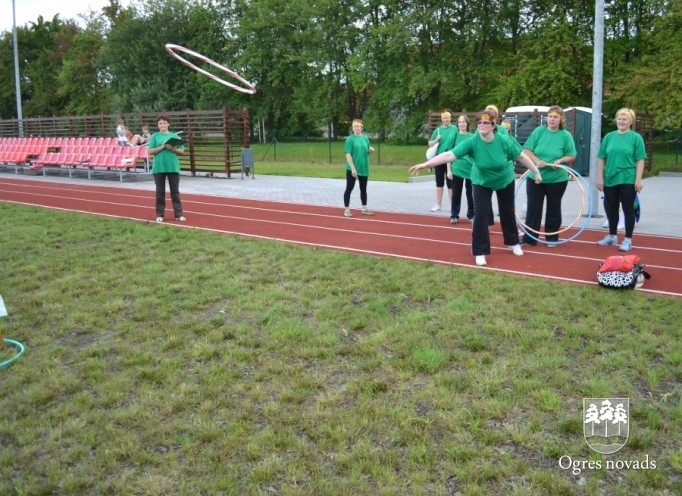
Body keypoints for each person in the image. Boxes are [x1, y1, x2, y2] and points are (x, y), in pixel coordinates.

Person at [409, 110, 542, 267]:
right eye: (479, 123)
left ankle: (513, 242)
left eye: (485, 122)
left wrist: (536, 171)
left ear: (493, 125)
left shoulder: (504, 140)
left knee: (507, 211)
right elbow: (449, 155)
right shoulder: (472, 141)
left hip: (504, 179)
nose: (481, 125)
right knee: (481, 214)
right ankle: (480, 251)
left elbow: (521, 156)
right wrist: (426, 164)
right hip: (481, 181)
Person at [520, 106, 577, 247]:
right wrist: (537, 161)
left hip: (557, 178)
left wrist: (560, 161)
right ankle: (529, 238)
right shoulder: (538, 131)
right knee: (534, 207)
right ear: (546, 118)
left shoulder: (565, 135)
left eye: (556, 117)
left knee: (554, 207)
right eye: (550, 116)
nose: (552, 119)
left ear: (561, 119)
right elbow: (526, 150)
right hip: (536, 176)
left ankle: (552, 237)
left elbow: (572, 154)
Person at [596, 108, 647, 252]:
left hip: (628, 177)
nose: (621, 121)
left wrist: (638, 179)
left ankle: (628, 239)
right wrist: (600, 177)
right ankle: (612, 236)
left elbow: (640, 160)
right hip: (610, 177)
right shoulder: (609, 137)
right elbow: (601, 158)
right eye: (619, 118)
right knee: (611, 207)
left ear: (630, 121)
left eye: (624, 119)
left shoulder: (636, 138)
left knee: (627, 208)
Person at [148, 115, 186, 223]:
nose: (162, 125)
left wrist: (172, 148)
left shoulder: (174, 136)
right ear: (158, 125)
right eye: (160, 123)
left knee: (175, 192)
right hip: (159, 168)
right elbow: (150, 151)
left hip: (173, 167)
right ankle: (160, 215)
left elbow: (182, 151)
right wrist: (162, 146)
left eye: (164, 123)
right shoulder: (155, 136)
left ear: (168, 124)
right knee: (160, 193)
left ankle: (179, 215)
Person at [343, 119, 375, 217]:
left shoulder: (365, 138)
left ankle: (364, 209)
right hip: (352, 168)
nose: (356, 128)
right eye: (354, 126)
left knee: (363, 189)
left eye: (358, 126)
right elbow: (348, 154)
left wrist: (370, 150)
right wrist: (353, 168)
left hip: (364, 167)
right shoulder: (350, 139)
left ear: (361, 128)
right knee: (349, 188)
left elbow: (366, 151)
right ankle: (347, 210)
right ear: (353, 128)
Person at [427, 109, 457, 212]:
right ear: (441, 119)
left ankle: (452, 205)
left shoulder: (454, 129)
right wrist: (436, 140)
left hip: (450, 159)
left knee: (450, 183)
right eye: (443, 118)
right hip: (439, 159)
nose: (445, 119)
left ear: (450, 118)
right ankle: (438, 204)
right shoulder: (438, 130)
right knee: (439, 182)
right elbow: (430, 144)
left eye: (447, 117)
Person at [447, 114, 475, 224]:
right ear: (457, 124)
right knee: (456, 194)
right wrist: (449, 170)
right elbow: (448, 154)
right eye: (459, 122)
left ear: (467, 124)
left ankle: (471, 215)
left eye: (463, 122)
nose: (461, 124)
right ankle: (454, 215)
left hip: (470, 169)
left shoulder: (472, 137)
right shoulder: (453, 137)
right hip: (457, 169)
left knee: (471, 194)